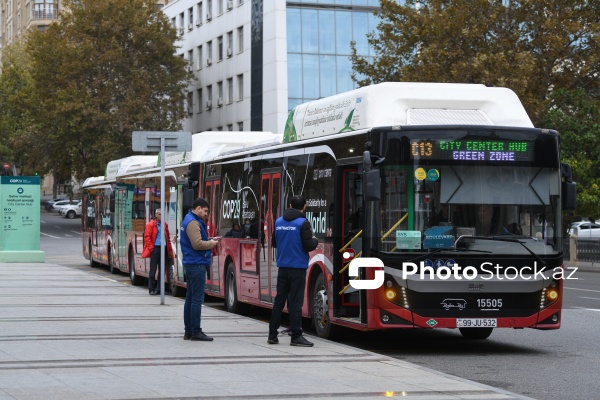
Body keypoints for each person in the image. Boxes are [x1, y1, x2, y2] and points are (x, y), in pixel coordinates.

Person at [268, 195, 318, 347]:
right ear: (304, 207)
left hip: (283, 267)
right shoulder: (303, 222)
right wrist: (314, 239)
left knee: (279, 301)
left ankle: (272, 334)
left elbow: (274, 243)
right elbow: (309, 245)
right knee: (295, 303)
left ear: (289, 204)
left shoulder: (278, 221)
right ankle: (296, 335)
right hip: (297, 268)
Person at [180, 198, 220, 341]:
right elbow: (197, 244)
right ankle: (195, 331)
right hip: (196, 264)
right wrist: (211, 243)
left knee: (190, 298)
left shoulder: (188, 220)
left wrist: (209, 239)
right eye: (205, 211)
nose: (206, 214)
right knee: (196, 299)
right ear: (198, 208)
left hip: (191, 263)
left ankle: (189, 331)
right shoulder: (193, 222)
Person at [142, 210, 173, 295]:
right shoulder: (151, 225)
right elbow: (147, 237)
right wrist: (152, 248)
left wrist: (169, 250)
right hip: (155, 248)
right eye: (159, 214)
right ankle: (151, 289)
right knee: (153, 270)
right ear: (156, 215)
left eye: (162, 214)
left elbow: (168, 238)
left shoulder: (165, 225)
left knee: (162, 271)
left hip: (164, 248)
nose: (161, 216)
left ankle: (159, 289)